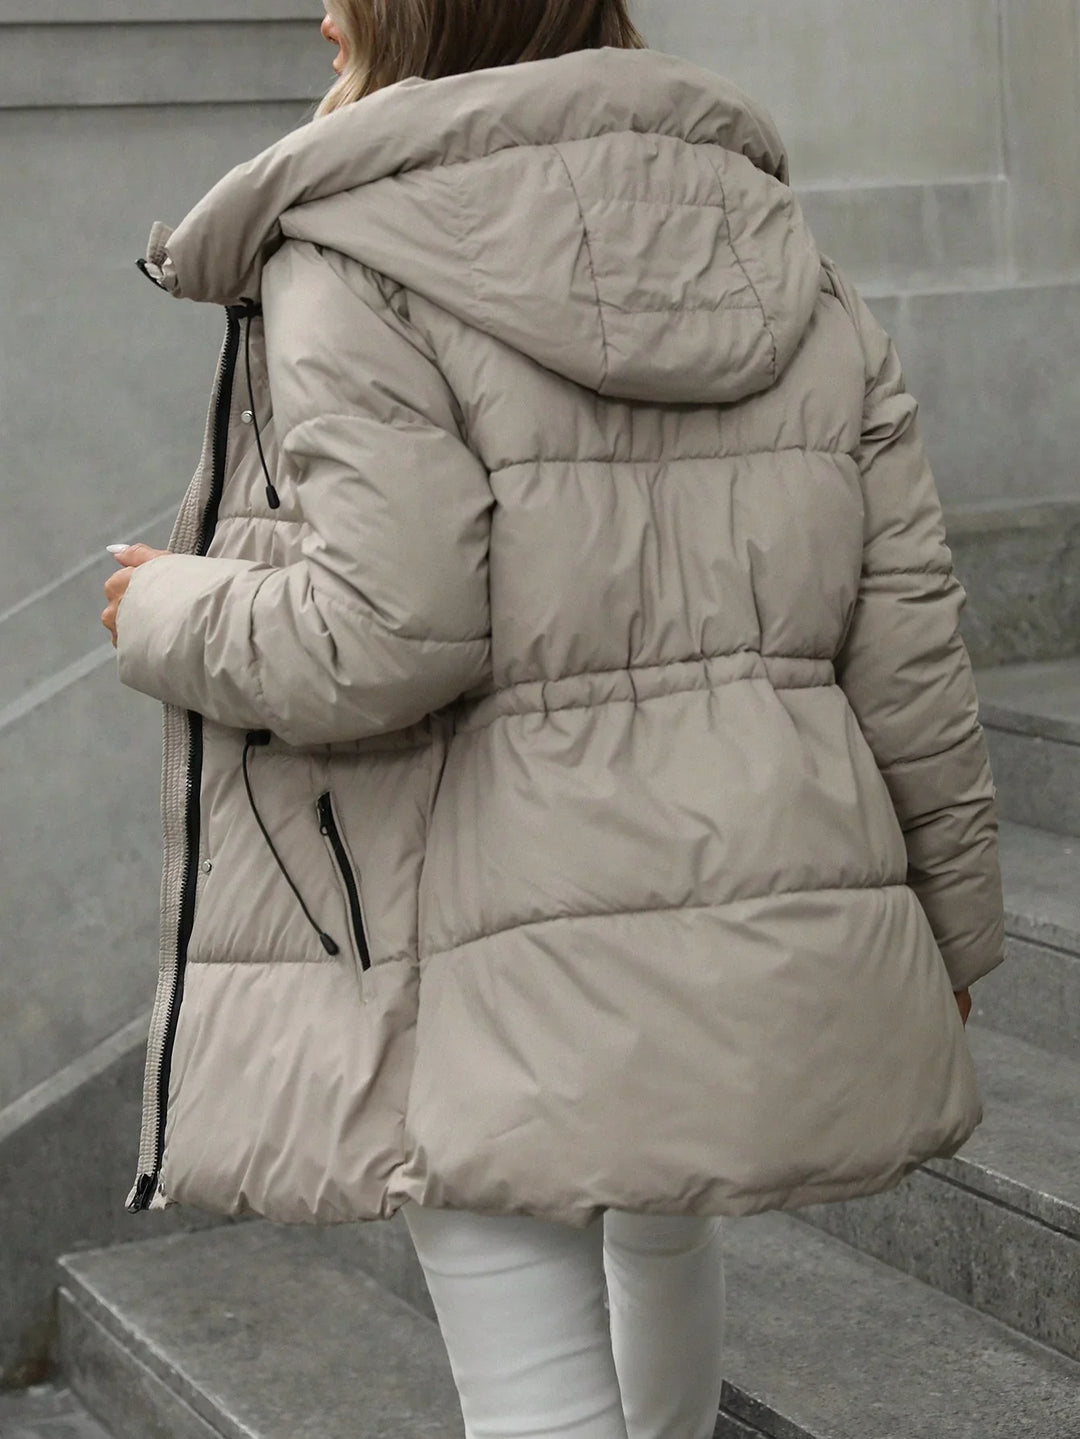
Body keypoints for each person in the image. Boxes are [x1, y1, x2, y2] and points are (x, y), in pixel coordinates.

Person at [100, 3, 1006, 1436]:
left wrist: (171, 611)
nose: (317, 12)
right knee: (666, 1226)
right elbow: (906, 637)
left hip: (486, 918)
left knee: (528, 1373)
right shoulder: (782, 255)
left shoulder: (358, 254)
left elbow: (386, 632)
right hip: (749, 872)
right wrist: (954, 926)